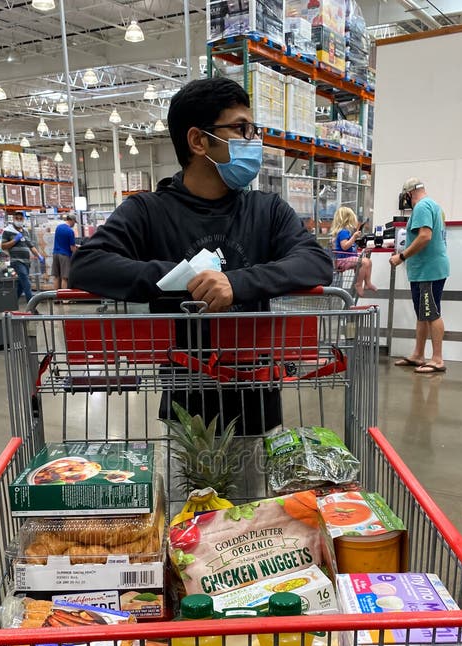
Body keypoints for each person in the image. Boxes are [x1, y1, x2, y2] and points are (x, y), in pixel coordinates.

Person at [69, 76, 332, 436]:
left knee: (258, 490)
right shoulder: (148, 211)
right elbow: (86, 265)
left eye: (252, 129)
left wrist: (235, 283)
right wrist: (184, 278)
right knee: (186, 492)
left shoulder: (266, 210)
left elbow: (315, 262)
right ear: (198, 140)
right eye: (241, 128)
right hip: (186, 406)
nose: (251, 141)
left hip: (258, 398)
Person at [389, 177, 450, 374]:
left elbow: (425, 236)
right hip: (426, 269)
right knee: (423, 314)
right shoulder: (434, 205)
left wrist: (402, 256)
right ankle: (418, 354)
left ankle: (437, 359)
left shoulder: (422, 207)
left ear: (408, 194)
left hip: (428, 271)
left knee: (431, 313)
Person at [330, 206, 376, 296]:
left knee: (368, 261)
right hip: (342, 261)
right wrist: (354, 237)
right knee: (365, 263)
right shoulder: (343, 232)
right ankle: (359, 284)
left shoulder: (344, 232)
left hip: (347, 259)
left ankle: (367, 283)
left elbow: (349, 248)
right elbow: (345, 247)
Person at [1, 212, 44, 302]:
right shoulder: (7, 231)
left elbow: (31, 246)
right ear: (13, 219)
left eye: (21, 219)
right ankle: (32, 307)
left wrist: (39, 256)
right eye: (17, 218)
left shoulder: (25, 232)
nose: (19, 220)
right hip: (16, 261)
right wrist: (15, 240)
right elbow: (3, 246)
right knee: (26, 283)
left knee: (21, 285)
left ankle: (11, 304)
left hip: (26, 262)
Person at [52, 213, 77, 291]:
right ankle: (65, 299)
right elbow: (72, 247)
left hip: (55, 253)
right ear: (71, 220)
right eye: (74, 222)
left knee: (56, 277)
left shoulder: (58, 228)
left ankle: (55, 298)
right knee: (64, 278)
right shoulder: (70, 231)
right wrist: (77, 253)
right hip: (64, 255)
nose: (74, 224)